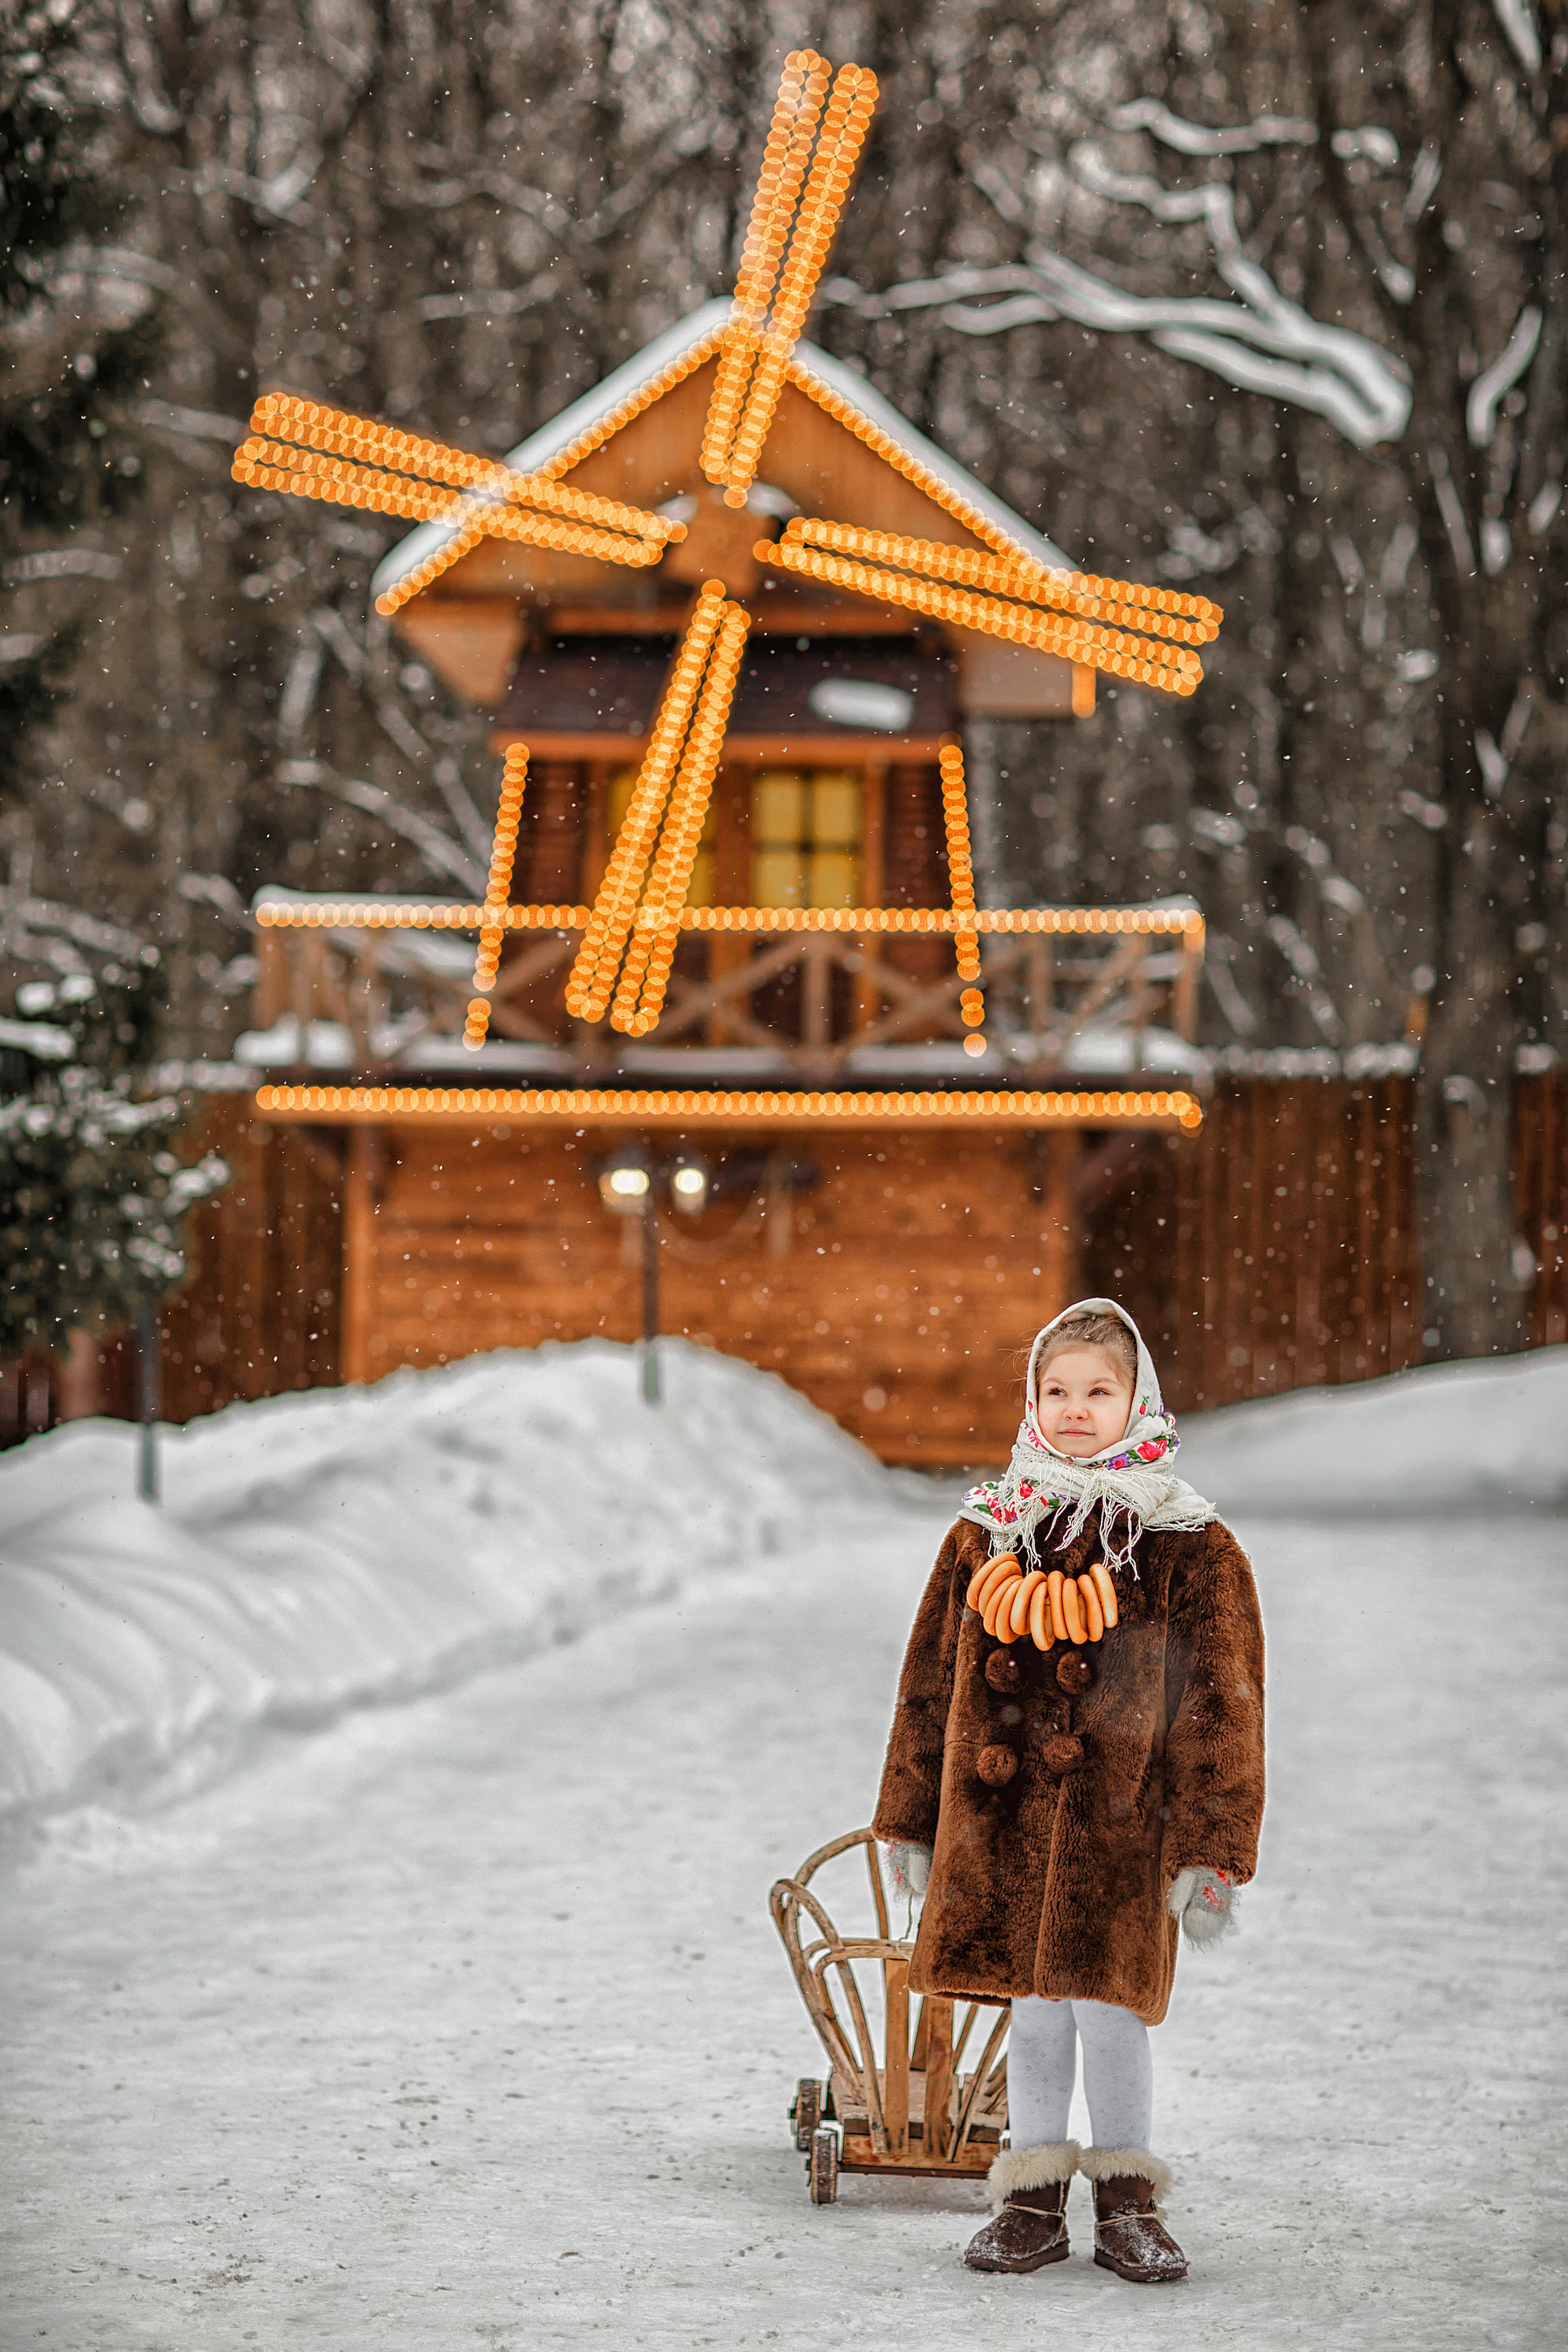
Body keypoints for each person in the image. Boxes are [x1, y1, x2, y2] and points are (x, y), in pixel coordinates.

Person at [872, 1298, 1265, 2283]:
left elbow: (1226, 1704)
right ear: (1031, 1399)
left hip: (1124, 1827)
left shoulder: (1186, 1544)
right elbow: (927, 1684)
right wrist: (914, 1817)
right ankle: (1029, 2202)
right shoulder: (988, 1533)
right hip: (999, 1824)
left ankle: (1128, 2203)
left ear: (1140, 1401)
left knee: (1109, 2008)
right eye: (1058, 1390)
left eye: (1101, 1391)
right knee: (1035, 2006)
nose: (1077, 1409)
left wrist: (1212, 1847)